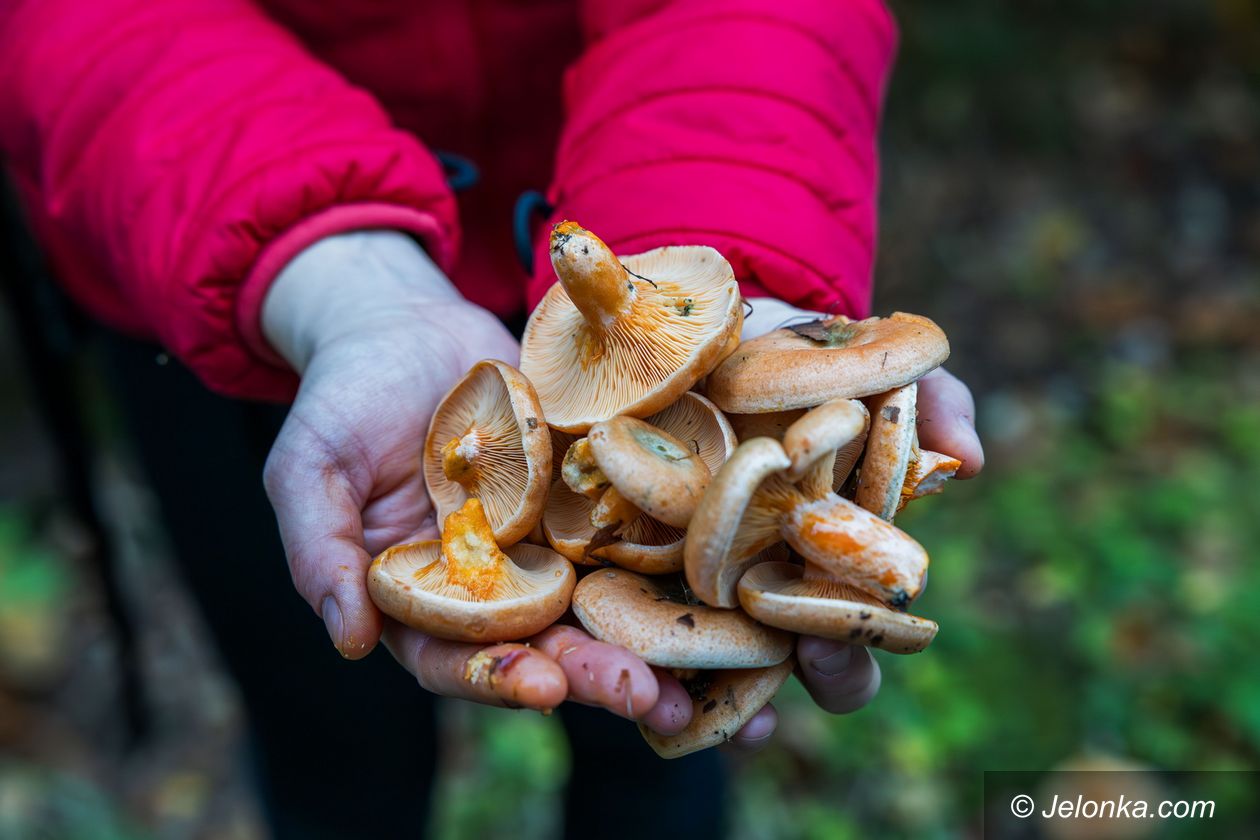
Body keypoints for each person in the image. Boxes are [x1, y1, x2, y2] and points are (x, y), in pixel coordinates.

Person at [0, 0, 984, 836]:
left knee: (663, 708)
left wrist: (742, 313)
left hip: (648, 213)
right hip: (230, 271)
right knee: (329, 735)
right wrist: (326, 269)